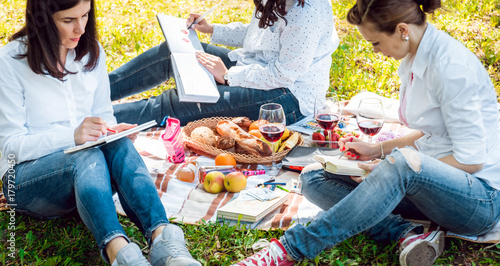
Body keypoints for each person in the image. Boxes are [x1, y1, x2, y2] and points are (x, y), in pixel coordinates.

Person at [233, 0, 500, 265]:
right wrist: (376, 150)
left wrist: (392, 169)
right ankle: (405, 235)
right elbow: (435, 134)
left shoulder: (452, 69)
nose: (375, 51)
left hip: (478, 200)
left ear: (402, 30)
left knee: (402, 164)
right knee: (315, 177)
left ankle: (290, 249)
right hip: (431, 189)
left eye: (376, 43)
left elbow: (470, 160)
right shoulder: (415, 56)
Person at [0, 1, 201, 265]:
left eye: (85, 15)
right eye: (68, 20)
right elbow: (10, 148)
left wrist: (110, 131)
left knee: (117, 146)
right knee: (85, 155)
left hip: (89, 178)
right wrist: (73, 136)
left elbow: (103, 116)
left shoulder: (90, 52)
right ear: (42, 18)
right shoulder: (11, 61)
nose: (80, 28)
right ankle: (120, 252)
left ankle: (164, 239)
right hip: (26, 179)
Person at [108, 0, 339, 126]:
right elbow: (260, 35)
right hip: (254, 68)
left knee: (176, 102)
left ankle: (97, 120)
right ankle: (95, 93)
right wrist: (211, 30)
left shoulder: (307, 10)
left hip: (288, 97)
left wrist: (228, 75)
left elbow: (282, 75)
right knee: (173, 52)